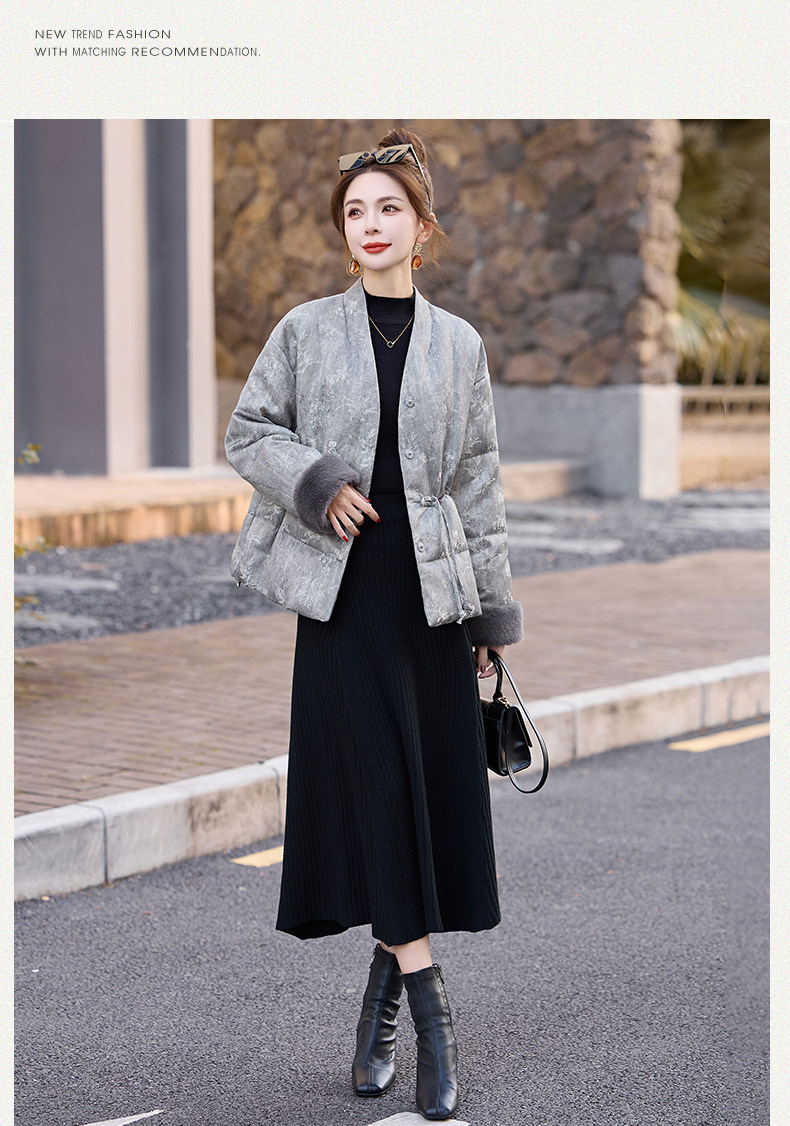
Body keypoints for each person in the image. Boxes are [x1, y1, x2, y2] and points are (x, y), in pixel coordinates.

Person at [225, 127, 523, 1122]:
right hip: (344, 600)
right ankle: (433, 1017)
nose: (370, 224)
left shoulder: (460, 344)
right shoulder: (306, 330)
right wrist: (317, 482)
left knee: (419, 800)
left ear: (421, 228)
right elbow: (249, 431)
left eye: (388, 208)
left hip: (431, 601)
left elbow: (478, 484)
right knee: (380, 791)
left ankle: (378, 1008)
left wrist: (488, 615)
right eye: (355, 211)